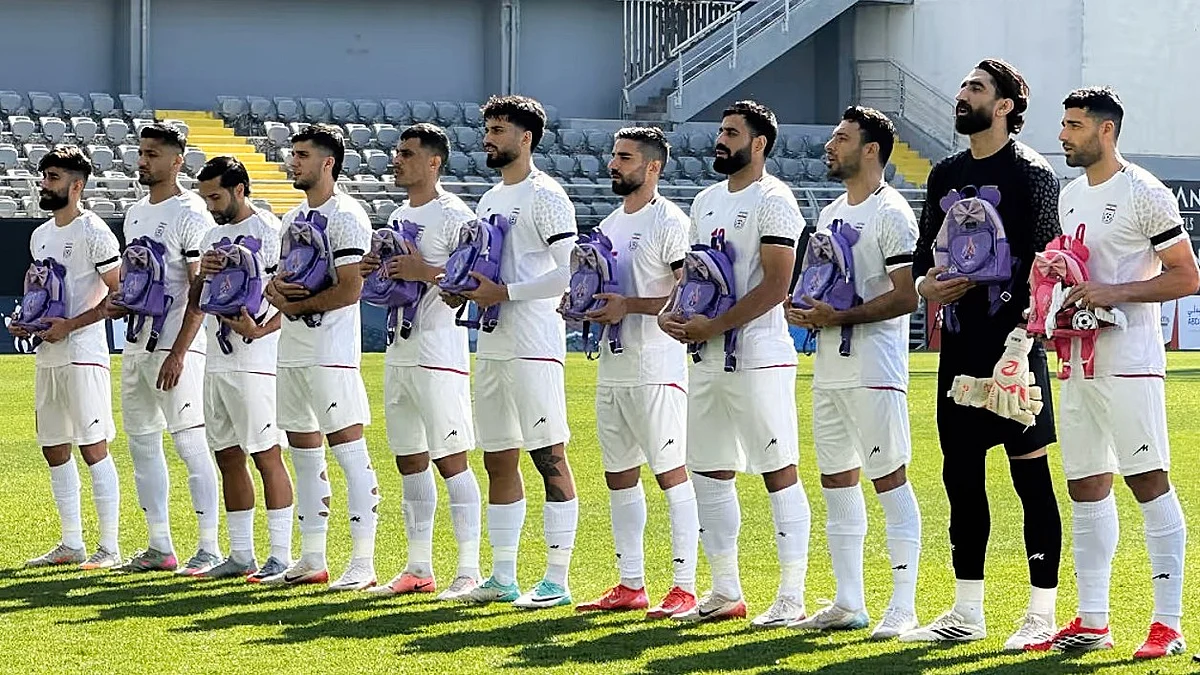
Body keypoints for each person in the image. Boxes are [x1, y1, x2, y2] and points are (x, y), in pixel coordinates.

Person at [902, 58, 1063, 649]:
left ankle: (1040, 612)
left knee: (1031, 478)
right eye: (963, 86)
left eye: (974, 88)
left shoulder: (1033, 173)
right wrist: (927, 287)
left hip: (1015, 349)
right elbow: (924, 256)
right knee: (961, 478)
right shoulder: (944, 173)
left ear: (1004, 106)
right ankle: (966, 612)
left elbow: (1050, 261)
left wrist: (1031, 328)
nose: (961, 95)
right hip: (959, 352)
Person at [1038, 86, 1196, 659]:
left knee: (1147, 479)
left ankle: (1168, 623)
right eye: (1064, 125)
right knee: (1084, 486)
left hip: (1130, 362)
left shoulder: (1144, 191)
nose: (1063, 135)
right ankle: (1093, 619)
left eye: (1075, 126)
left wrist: (1114, 290)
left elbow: (1186, 276)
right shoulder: (1070, 194)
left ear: (1106, 131)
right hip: (1075, 360)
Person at [659, 100, 811, 627]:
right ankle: (726, 591)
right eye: (719, 131)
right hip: (705, 357)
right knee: (708, 471)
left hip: (759, 358)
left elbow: (776, 284)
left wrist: (716, 326)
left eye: (730, 132)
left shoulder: (775, 199)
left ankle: (791, 595)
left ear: (759, 143)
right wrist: (669, 313)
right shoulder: (703, 201)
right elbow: (695, 277)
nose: (719, 140)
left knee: (779, 472)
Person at [785, 106, 923, 639]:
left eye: (840, 138)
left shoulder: (892, 213)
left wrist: (836, 316)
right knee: (837, 481)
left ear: (871, 150)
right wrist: (806, 309)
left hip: (874, 369)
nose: (830, 146)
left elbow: (906, 296)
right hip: (831, 369)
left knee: (889, 480)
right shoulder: (832, 213)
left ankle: (903, 606)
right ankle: (849, 602)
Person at [450, 95, 580, 608]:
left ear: (525, 139)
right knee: (498, 458)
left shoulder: (546, 195)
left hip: (534, 344)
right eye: (488, 128)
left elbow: (571, 271)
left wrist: (506, 294)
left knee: (549, 455)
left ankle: (556, 579)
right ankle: (502, 576)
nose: (489, 137)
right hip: (493, 342)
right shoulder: (488, 200)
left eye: (499, 129)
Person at [573, 127, 700, 619]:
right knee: (619, 476)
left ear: (653, 167)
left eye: (624, 158)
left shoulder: (669, 221)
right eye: (613, 156)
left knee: (671, 474)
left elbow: (688, 292)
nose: (613, 164)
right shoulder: (609, 223)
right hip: (614, 367)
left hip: (656, 367)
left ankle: (684, 585)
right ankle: (630, 584)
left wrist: (629, 305)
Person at [361, 123, 483, 600]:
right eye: (396, 153)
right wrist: (379, 271)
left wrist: (424, 271)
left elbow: (468, 285)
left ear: (434, 162)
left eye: (407, 154)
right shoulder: (395, 214)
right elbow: (393, 281)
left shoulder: (455, 216)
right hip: (399, 350)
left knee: (451, 460)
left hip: (438, 351)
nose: (397, 160)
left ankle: (469, 569)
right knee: (409, 460)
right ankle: (418, 567)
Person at [262, 123, 379, 590]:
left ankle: (364, 562)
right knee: (305, 456)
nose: (294, 161)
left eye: (303, 154)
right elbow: (273, 281)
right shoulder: (290, 219)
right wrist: (276, 293)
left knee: (350, 453)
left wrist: (295, 305)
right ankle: (312, 558)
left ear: (328, 162)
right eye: (293, 154)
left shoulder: (348, 214)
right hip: (291, 352)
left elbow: (351, 289)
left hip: (331, 353)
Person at [109, 123, 222, 575]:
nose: (143, 161)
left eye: (153, 154)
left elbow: (202, 286)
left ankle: (210, 546)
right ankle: (160, 547)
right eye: (141, 153)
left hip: (177, 347)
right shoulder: (135, 211)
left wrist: (179, 352)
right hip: (136, 345)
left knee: (191, 442)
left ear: (178, 161)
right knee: (141, 445)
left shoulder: (191, 212)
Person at [187, 156, 295, 582]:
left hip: (255, 363)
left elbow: (292, 288)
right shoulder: (211, 234)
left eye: (215, 196)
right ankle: (240, 554)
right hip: (216, 360)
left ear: (239, 189)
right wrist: (202, 274)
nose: (211, 205)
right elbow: (197, 299)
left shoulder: (270, 230)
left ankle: (281, 555)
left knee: (267, 454)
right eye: (205, 197)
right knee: (227, 455)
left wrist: (263, 329)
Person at [13, 147, 122, 570]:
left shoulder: (95, 231)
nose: (44, 184)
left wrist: (71, 326)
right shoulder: (39, 234)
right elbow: (44, 292)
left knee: (94, 447)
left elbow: (119, 295)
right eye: (44, 176)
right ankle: (71, 543)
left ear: (76, 186)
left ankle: (109, 548)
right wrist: (30, 322)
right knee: (54, 448)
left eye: (53, 177)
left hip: (83, 354)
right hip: (49, 356)